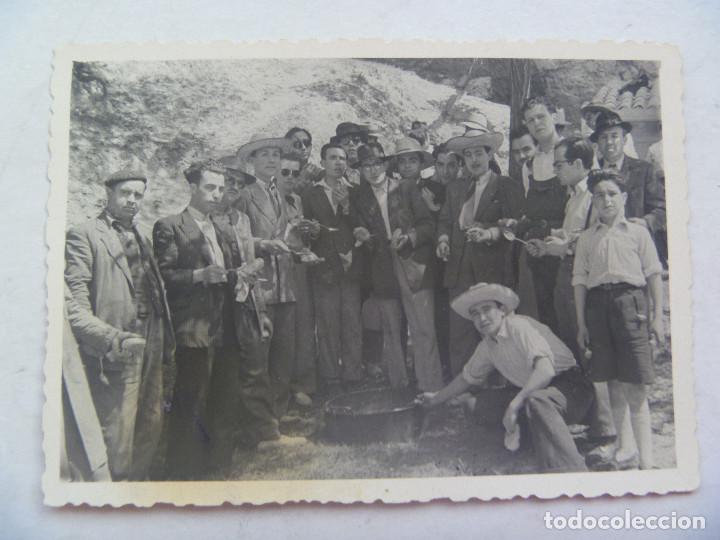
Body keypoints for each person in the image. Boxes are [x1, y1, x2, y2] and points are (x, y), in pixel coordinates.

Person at [154, 160, 273, 479]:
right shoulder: (170, 226)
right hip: (195, 327)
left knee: (225, 396)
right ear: (192, 188)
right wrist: (198, 275)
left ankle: (219, 466)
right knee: (192, 397)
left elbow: (228, 272)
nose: (217, 194)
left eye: (221, 188)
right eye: (210, 187)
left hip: (228, 325)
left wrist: (240, 274)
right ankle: (184, 470)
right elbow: (163, 276)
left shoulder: (222, 227)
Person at [526, 138, 634, 468]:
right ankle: (597, 422)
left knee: (593, 350)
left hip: (585, 280)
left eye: (560, 164)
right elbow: (570, 235)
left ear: (577, 165)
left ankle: (609, 431)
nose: (556, 170)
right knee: (577, 347)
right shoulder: (572, 196)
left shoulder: (594, 195)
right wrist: (551, 242)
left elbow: (588, 241)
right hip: (566, 277)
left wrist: (558, 247)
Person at [65, 169, 175, 481]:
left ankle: (138, 484)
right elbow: (76, 298)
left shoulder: (140, 236)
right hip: (116, 343)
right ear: (109, 194)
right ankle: (115, 491)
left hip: (152, 335)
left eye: (138, 195)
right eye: (125, 193)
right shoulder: (84, 234)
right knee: (118, 423)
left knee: (150, 415)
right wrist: (101, 340)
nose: (132, 201)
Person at [418, 283, 594, 473]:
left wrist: (514, 405)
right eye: (475, 313)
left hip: (571, 390)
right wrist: (436, 399)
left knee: (536, 400)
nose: (482, 318)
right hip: (532, 394)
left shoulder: (518, 326)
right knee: (474, 405)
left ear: (502, 310)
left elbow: (545, 370)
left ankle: (570, 470)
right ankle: (527, 444)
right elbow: (466, 378)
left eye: (487, 309)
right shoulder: (487, 345)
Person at [573, 169, 665, 470]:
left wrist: (657, 318)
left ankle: (647, 461)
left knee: (635, 383)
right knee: (611, 381)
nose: (606, 200)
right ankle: (626, 448)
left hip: (631, 305)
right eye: (599, 195)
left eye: (612, 193)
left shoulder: (638, 233)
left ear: (623, 197)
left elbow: (653, 275)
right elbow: (580, 282)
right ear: (593, 201)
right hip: (598, 308)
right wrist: (582, 324)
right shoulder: (587, 239)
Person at [349, 143, 443, 392]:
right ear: (360, 169)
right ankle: (399, 388)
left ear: (386, 164)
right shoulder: (358, 197)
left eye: (377, 163)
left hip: (413, 264)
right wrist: (362, 235)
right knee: (391, 330)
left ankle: (430, 387)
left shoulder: (406, 187)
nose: (372, 170)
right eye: (366, 166)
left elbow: (427, 226)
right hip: (381, 267)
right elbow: (358, 230)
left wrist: (410, 237)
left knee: (423, 329)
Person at [437, 128, 524, 376]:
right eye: (468, 155)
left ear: (489, 155)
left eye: (479, 153)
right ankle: (463, 393)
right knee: (460, 333)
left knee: (496, 331)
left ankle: (498, 389)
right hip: (459, 269)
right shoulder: (455, 188)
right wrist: (443, 240)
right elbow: (444, 220)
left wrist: (490, 232)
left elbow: (513, 225)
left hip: (491, 269)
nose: (474, 160)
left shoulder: (505, 185)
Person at [212, 158, 285, 446]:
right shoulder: (204, 220)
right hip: (219, 304)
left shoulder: (240, 219)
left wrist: (261, 310)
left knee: (256, 366)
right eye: (229, 181)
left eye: (239, 184)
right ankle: (227, 437)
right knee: (225, 372)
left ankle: (264, 432)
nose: (233, 188)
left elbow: (249, 262)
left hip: (247, 302)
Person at [235, 134, 300, 419]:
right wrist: (262, 245)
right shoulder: (244, 194)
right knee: (261, 352)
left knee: (284, 351)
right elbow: (237, 236)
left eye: (276, 154)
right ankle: (260, 421)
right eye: (265, 155)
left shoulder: (279, 192)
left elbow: (284, 233)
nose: (272, 160)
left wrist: (299, 244)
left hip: (285, 282)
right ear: (252, 161)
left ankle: (279, 412)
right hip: (261, 284)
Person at [302, 143, 365, 394]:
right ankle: (330, 377)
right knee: (327, 325)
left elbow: (362, 225)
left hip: (351, 266)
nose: (339, 163)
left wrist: (348, 206)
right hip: (324, 267)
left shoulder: (357, 191)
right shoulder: (310, 194)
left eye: (342, 158)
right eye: (333, 158)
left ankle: (353, 374)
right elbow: (306, 229)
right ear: (323, 161)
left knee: (352, 322)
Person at [517, 97, 568, 334]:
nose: (537, 123)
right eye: (531, 120)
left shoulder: (573, 150)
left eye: (541, 117)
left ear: (555, 116)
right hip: (539, 250)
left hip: (567, 246)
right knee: (547, 314)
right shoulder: (529, 165)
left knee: (571, 311)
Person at [275, 152, 320, 408]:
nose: (290, 178)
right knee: (284, 329)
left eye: (295, 173)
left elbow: (301, 238)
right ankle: (283, 389)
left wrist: (310, 234)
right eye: (285, 172)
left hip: (300, 267)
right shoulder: (268, 200)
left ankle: (303, 385)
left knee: (304, 326)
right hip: (278, 268)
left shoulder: (297, 200)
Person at [591, 112, 666, 247]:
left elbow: (663, 208)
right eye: (603, 137)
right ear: (597, 142)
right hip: (602, 245)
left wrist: (646, 222)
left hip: (637, 245)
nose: (609, 142)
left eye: (614, 136)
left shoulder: (644, 170)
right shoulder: (592, 172)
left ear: (624, 140)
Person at [285, 127, 323, 193]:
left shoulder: (316, 171)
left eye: (306, 143)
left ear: (310, 147)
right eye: (297, 144)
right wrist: (303, 178)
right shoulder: (281, 172)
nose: (303, 148)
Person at [330, 122, 369, 186]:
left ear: (362, 144)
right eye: (345, 140)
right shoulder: (329, 174)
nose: (351, 144)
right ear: (338, 145)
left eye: (356, 140)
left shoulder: (374, 171)